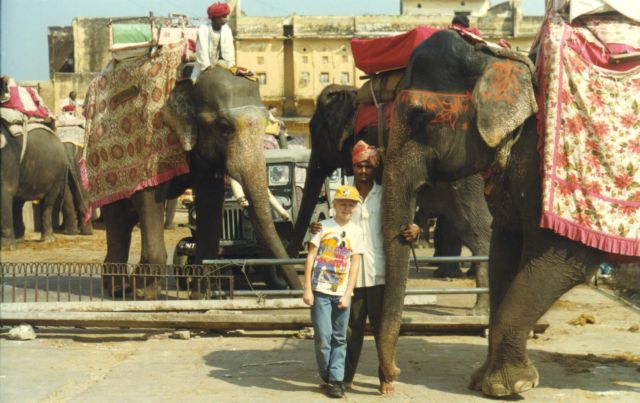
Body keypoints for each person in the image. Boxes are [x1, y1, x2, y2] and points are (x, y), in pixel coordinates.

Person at [310, 140, 420, 394]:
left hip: (380, 271)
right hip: (348, 276)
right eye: (359, 166)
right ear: (353, 166)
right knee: (350, 330)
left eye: (368, 166)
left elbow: (407, 219)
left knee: (383, 328)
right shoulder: (342, 193)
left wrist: (416, 229)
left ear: (376, 167)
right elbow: (330, 224)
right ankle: (344, 376)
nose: (363, 170)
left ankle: (386, 377)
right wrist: (317, 227)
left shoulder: (386, 194)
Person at [303, 184, 364, 398]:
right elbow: (311, 256)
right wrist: (307, 288)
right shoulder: (323, 227)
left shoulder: (357, 232)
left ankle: (336, 380)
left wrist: (348, 293)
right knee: (323, 336)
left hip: (341, 292)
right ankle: (327, 374)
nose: (347, 208)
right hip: (320, 290)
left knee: (340, 337)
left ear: (355, 208)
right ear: (335, 205)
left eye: (351, 205)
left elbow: (355, 264)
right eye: (343, 204)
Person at [190, 2, 236, 84]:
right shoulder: (203, 29)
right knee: (193, 83)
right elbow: (201, 50)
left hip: (221, 64)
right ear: (215, 18)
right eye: (224, 16)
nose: (226, 19)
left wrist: (230, 65)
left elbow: (229, 50)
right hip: (203, 65)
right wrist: (207, 66)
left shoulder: (227, 30)